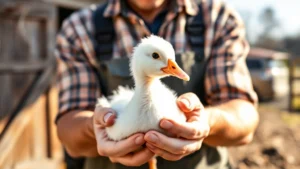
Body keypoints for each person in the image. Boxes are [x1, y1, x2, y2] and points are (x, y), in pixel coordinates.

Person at [55, 0, 259, 168]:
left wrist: (206, 122)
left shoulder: (218, 18)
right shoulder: (80, 28)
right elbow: (68, 131)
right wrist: (96, 127)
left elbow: (245, 121)